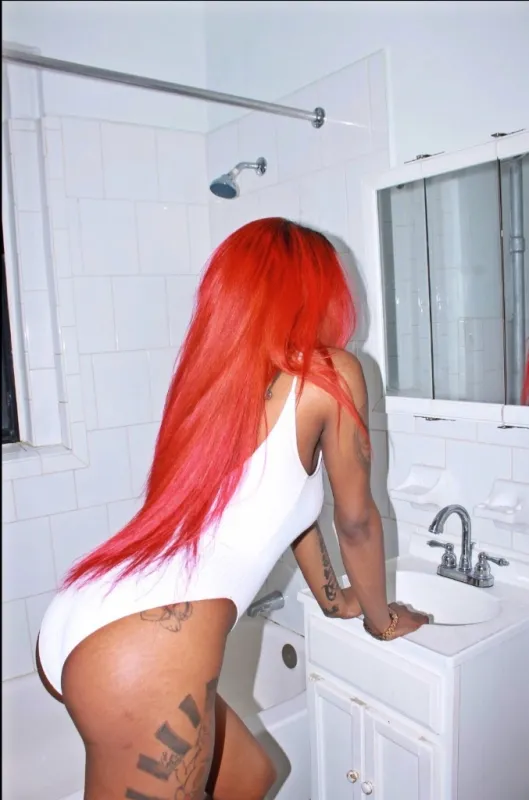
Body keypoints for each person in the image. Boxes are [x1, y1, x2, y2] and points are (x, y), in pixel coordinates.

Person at [37, 217, 428, 800]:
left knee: (249, 779)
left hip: (98, 610)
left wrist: (334, 601)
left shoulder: (217, 386)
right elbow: (356, 522)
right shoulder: (329, 373)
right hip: (144, 652)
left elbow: (287, 511)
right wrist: (382, 619)